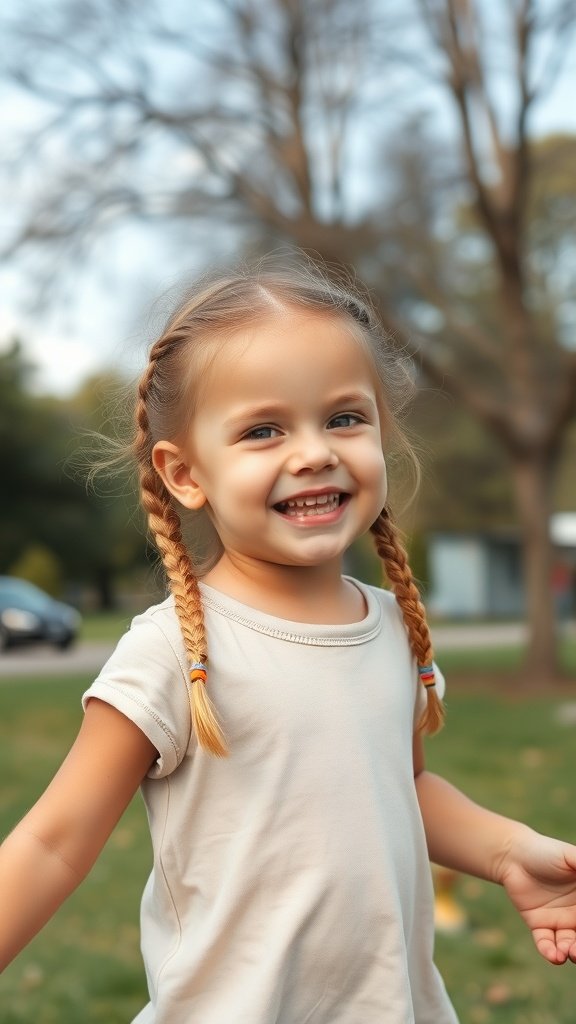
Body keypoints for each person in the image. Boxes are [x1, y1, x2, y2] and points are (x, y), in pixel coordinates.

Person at [1, 259, 576, 1024]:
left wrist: (508, 853)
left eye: (344, 417)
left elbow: (399, 790)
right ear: (184, 473)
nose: (314, 452)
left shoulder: (389, 626)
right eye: (263, 430)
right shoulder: (172, 651)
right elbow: (53, 844)